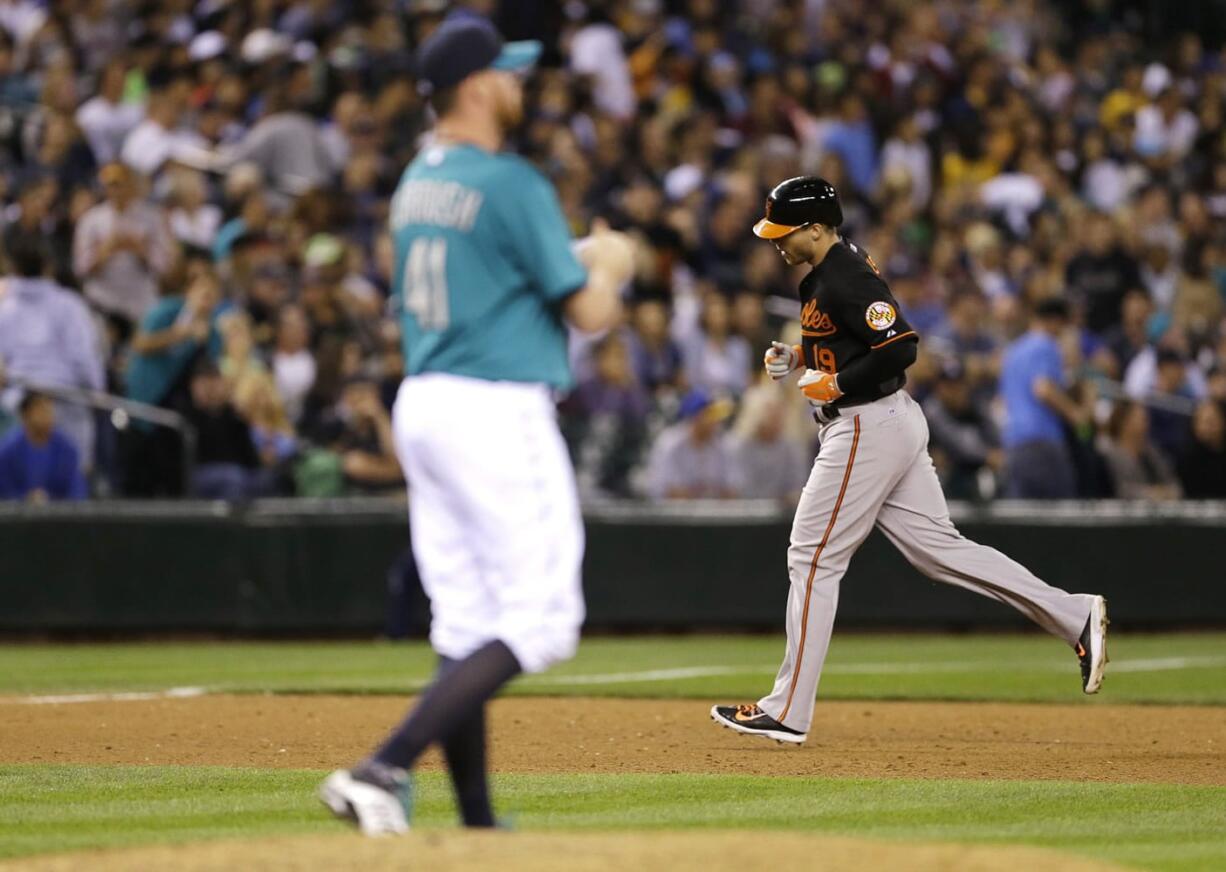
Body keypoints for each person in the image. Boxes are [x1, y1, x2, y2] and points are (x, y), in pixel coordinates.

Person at [319, 18, 634, 835]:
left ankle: (480, 827)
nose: (520, 86)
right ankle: (381, 767)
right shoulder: (510, 182)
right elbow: (591, 312)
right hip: (494, 405)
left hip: (425, 400)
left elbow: (490, 273)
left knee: (466, 624)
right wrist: (612, 264)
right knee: (543, 620)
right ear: (476, 86)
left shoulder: (416, 183)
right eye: (509, 74)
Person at [710, 177, 1107, 746]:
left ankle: (788, 709)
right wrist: (800, 355)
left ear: (817, 229)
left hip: (866, 425)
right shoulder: (829, 270)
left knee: (813, 558)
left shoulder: (848, 276)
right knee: (939, 552)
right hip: (884, 420)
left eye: (785, 230)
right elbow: (849, 336)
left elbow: (900, 346)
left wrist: (837, 382)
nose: (775, 240)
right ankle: (1074, 615)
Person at [0, 235, 104, 471]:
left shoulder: (3, 308)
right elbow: (85, 360)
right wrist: (97, 394)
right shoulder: (70, 306)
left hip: (28, 405)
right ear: (49, 266)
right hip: (40, 408)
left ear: (12, 267)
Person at [999, 298, 1086, 499]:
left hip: (1014, 443)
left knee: (1024, 518)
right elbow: (1043, 388)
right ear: (1055, 321)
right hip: (1042, 441)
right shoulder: (1046, 344)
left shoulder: (1013, 351)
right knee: (1061, 517)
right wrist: (1075, 413)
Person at [643, 389, 738, 500]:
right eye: (710, 414)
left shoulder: (722, 444)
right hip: (672, 515)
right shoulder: (669, 444)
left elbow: (733, 490)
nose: (715, 421)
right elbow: (668, 492)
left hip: (715, 515)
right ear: (695, 417)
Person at [0, 391, 87, 501]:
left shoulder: (67, 449)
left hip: (60, 515)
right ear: (25, 415)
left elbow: (76, 491)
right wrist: (25, 498)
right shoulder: (8, 450)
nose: (47, 416)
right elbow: (4, 491)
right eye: (41, 410)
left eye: (49, 410)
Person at [1098, 401, 1182, 500]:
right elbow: (1121, 490)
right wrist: (1152, 494)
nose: (1146, 424)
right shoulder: (1109, 454)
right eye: (1141, 419)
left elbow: (1173, 484)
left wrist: (1168, 493)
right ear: (1124, 422)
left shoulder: (1152, 452)